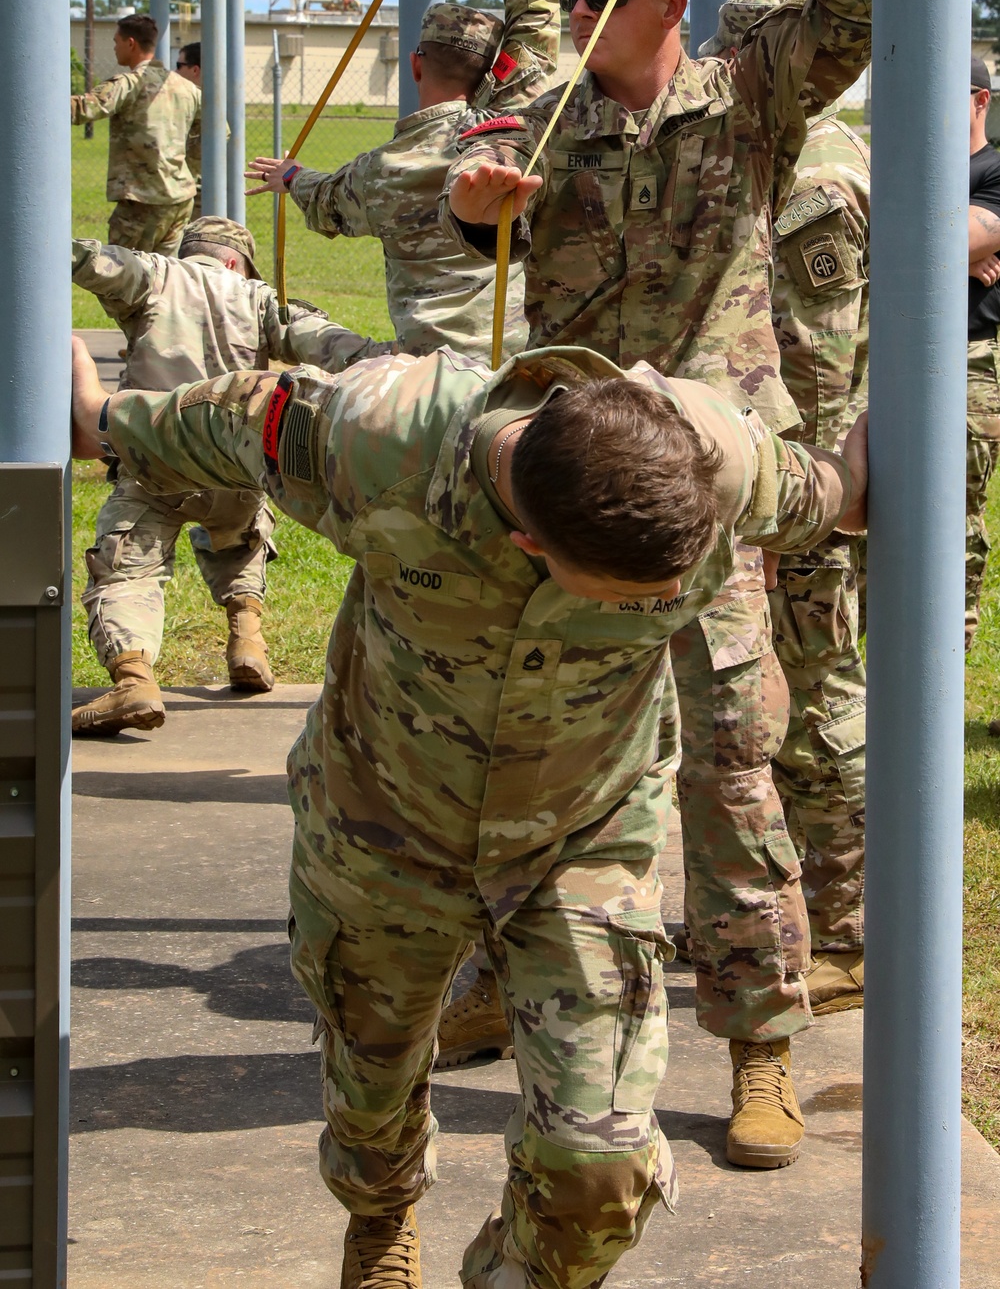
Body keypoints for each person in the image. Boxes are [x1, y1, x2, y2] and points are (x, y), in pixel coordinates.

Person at [70, 327, 868, 1289]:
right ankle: (381, 1223)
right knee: (371, 1094)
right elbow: (217, 422)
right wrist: (99, 417)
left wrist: (879, 452)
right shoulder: (376, 435)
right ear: (529, 544)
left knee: (599, 1168)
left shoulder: (720, 455)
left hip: (582, 840)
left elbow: (832, 494)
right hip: (382, 823)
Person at [440, 0, 872, 1167]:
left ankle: (760, 1045)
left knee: (735, 766)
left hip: (706, 484)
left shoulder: (749, 93)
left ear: (666, 6)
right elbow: (462, 204)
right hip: (565, 487)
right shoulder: (550, 111)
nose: (570, 16)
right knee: (531, 762)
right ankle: (507, 986)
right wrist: (474, 207)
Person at [694, 0, 870, 1016]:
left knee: (813, 706)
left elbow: (829, 342)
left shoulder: (816, 167)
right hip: (757, 466)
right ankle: (795, 915)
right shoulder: (783, 152)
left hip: (801, 480)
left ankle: (844, 930)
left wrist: (822, 470)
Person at [71, 216, 393, 737]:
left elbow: (92, 262)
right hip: (238, 468)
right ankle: (247, 640)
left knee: (127, 569)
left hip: (156, 462)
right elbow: (333, 345)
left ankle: (133, 676)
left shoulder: (155, 275)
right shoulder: (259, 298)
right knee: (239, 540)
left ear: (193, 252)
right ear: (235, 260)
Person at [246, 0, 560, 361]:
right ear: (489, 73)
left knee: (316, 342)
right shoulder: (513, 128)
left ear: (415, 65)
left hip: (424, 371)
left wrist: (291, 177)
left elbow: (328, 201)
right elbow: (537, 1)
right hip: (518, 361)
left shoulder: (381, 170)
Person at [71, 13, 201, 254]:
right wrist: (187, 170)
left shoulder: (129, 83)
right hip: (180, 199)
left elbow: (83, 108)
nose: (114, 47)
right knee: (165, 277)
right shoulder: (187, 88)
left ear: (130, 43)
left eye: (115, 41)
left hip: (142, 201)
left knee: (123, 280)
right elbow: (214, 133)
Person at [964, 56, 1000, 655]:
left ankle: (947, 663)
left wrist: (954, 247)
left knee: (954, 515)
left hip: (968, 363)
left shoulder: (994, 169)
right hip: (877, 362)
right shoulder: (902, 168)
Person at [176, 42, 204, 217]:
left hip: (196, 194)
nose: (175, 72)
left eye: (179, 66)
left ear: (195, 70)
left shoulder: (197, 102)